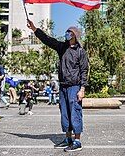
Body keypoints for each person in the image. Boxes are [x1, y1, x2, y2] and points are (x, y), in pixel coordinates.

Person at [27, 20, 89, 152]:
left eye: (70, 33)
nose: (67, 34)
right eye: (67, 32)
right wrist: (34, 29)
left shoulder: (81, 52)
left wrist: (82, 89)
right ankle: (68, 139)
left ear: (75, 35)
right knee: (65, 114)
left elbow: (84, 71)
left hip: (75, 86)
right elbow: (48, 40)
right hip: (63, 87)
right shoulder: (62, 47)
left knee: (75, 112)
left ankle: (77, 141)